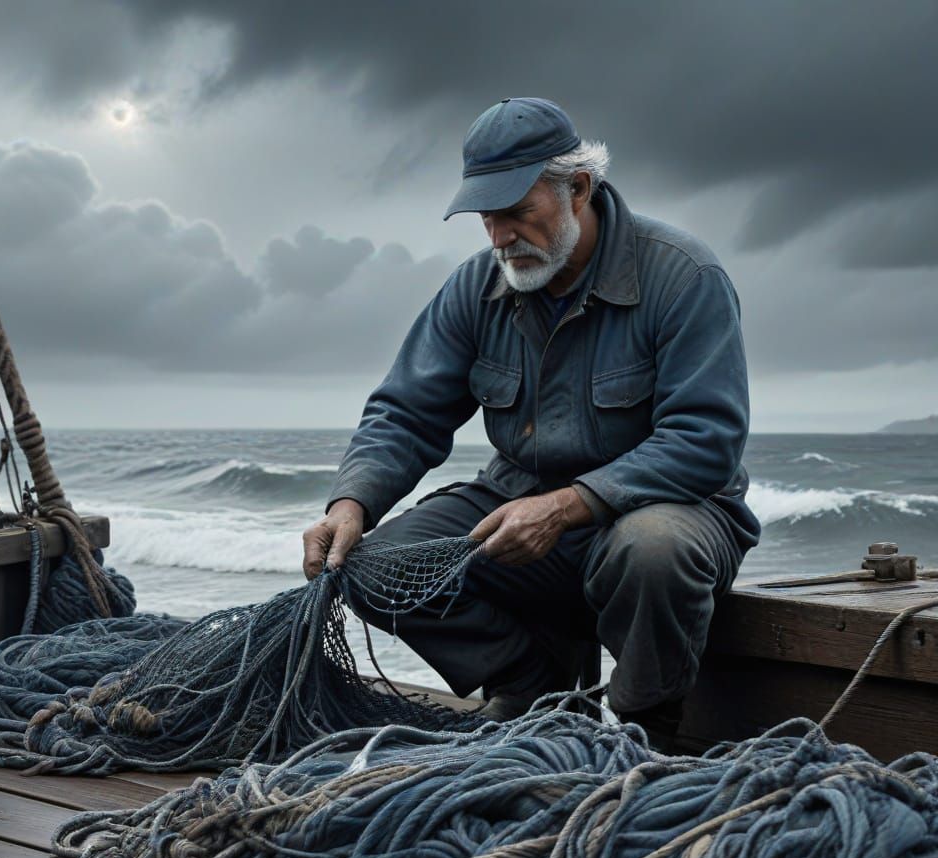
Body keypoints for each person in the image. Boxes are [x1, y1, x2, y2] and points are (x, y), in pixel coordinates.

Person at [302, 97, 760, 743]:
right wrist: (350, 504)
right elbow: (405, 413)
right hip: (518, 500)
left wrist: (571, 505)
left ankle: (644, 729)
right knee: (378, 567)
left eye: (519, 213)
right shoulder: (474, 287)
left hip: (670, 508)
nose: (500, 237)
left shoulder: (683, 275)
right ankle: (532, 690)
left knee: (653, 548)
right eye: (488, 217)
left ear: (578, 187)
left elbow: (705, 441)